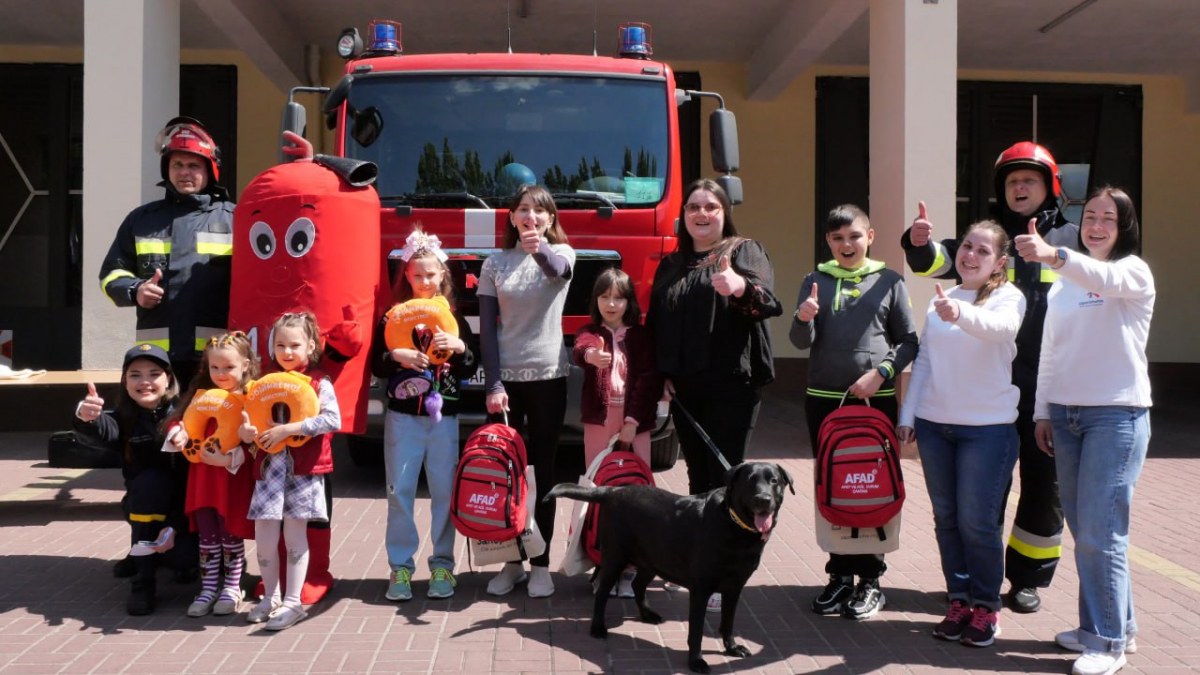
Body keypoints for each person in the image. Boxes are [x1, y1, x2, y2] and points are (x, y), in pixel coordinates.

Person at [901, 142, 1080, 613]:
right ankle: (979, 580)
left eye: (1030, 181)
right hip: (991, 388)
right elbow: (934, 263)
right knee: (984, 495)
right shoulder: (989, 239)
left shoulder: (1073, 242)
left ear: (1050, 187)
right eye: (1012, 181)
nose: (1020, 188)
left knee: (1044, 487)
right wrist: (917, 243)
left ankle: (1027, 579)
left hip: (1049, 385)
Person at [1018, 186, 1154, 675]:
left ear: (1124, 227)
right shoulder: (1064, 283)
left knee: (1102, 534)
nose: (1096, 225)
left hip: (1116, 416)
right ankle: (1118, 627)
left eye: (1108, 219)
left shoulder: (1131, 271)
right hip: (1067, 416)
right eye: (1090, 216)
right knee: (1089, 531)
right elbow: (1050, 355)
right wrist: (1041, 413)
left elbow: (1102, 274)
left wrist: (1054, 254)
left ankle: (1107, 642)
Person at [647, 178, 782, 613]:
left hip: (731, 386)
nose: (701, 214)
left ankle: (728, 574)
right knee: (699, 484)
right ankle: (702, 569)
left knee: (731, 484)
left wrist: (739, 288)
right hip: (686, 389)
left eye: (710, 206)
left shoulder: (743, 251)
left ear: (724, 213)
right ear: (683, 215)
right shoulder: (673, 263)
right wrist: (662, 374)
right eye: (692, 208)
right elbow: (658, 324)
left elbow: (766, 302)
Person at [897, 221, 1026, 647]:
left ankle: (986, 606)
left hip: (987, 431)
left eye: (982, 251)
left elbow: (1000, 330)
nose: (970, 255)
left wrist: (962, 314)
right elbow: (928, 362)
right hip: (936, 427)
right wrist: (909, 414)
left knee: (978, 523)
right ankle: (959, 600)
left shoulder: (1009, 298)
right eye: (966, 247)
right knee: (947, 520)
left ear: (999, 263)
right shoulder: (942, 299)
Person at [790, 204, 918, 621]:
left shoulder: (890, 282)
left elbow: (909, 342)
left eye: (854, 236)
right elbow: (797, 340)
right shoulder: (815, 280)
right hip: (823, 399)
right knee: (836, 484)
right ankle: (840, 576)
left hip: (873, 399)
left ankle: (871, 581)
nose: (846, 245)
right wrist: (804, 318)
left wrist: (880, 375)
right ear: (828, 240)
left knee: (870, 483)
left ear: (871, 236)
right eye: (837, 238)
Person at [479, 184, 575, 599]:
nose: (530, 216)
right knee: (505, 474)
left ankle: (540, 563)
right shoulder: (494, 263)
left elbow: (558, 271)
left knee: (543, 471)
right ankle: (511, 561)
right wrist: (494, 383)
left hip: (549, 378)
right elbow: (487, 329)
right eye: (522, 209)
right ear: (512, 218)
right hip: (507, 385)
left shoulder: (563, 255)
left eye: (539, 210)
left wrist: (537, 248)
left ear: (550, 218)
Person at [371, 230, 477, 602]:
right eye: (417, 275)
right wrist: (395, 356)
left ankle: (443, 564)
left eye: (431, 275)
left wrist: (461, 347)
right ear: (407, 278)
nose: (424, 281)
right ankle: (400, 567)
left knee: (444, 491)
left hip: (442, 418)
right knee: (399, 491)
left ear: (441, 278)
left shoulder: (452, 319)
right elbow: (376, 365)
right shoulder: (391, 318)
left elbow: (468, 367)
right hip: (402, 417)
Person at [99, 116, 235, 390]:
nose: (185, 172)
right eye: (177, 165)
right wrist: (135, 290)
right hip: (158, 362)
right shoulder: (142, 219)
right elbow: (111, 275)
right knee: (159, 431)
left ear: (210, 170)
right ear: (167, 169)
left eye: (194, 165)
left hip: (216, 360)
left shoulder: (236, 219)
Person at [73, 344, 198, 615]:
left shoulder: (188, 416)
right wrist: (86, 417)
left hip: (184, 512)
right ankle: (143, 580)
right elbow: (99, 431)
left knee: (182, 559)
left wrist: (176, 525)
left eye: (154, 373)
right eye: (135, 375)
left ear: (168, 380)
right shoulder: (123, 419)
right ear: (125, 382)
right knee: (150, 482)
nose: (144, 382)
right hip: (142, 506)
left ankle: (165, 556)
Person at [241, 312, 341, 631]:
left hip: (303, 471)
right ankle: (270, 596)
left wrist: (289, 429)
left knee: (295, 536)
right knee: (265, 538)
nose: (287, 352)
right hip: (268, 471)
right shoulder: (262, 384)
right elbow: (249, 425)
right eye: (280, 344)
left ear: (310, 345)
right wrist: (246, 433)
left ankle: (293, 603)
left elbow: (332, 420)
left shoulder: (319, 382)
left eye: (294, 345)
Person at [573, 267, 663, 598]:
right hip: (599, 421)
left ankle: (632, 568)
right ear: (595, 300)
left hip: (634, 421)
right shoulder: (589, 332)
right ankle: (601, 563)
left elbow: (648, 381)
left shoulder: (640, 336)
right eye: (605, 296)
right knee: (598, 490)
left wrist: (633, 421)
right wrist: (590, 356)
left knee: (637, 492)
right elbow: (580, 348)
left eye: (619, 297)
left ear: (629, 302)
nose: (611, 303)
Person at [164, 332, 259, 618]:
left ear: (245, 365)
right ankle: (208, 586)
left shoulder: (251, 397)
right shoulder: (200, 396)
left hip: (230, 478)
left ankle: (232, 586)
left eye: (228, 367)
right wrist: (176, 433)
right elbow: (176, 421)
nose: (220, 374)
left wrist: (231, 456)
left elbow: (258, 444)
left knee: (229, 530)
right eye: (214, 367)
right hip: (202, 478)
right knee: (207, 532)